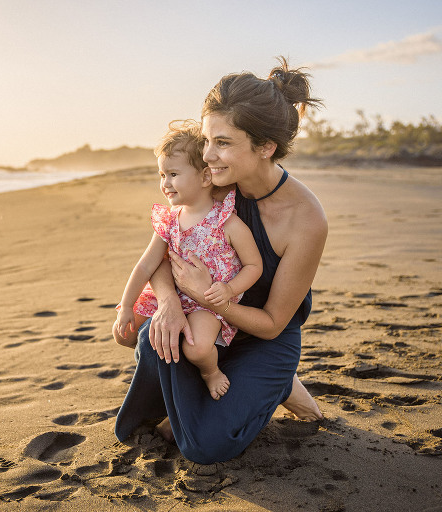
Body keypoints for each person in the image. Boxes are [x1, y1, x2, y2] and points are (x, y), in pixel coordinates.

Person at [115, 57, 327, 465]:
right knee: (152, 337)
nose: (207, 155)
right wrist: (170, 304)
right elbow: (164, 245)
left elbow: (272, 323)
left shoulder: (305, 219)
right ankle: (212, 376)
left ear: (265, 148)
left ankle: (279, 383)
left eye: (223, 143)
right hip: (205, 322)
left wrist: (210, 299)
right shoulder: (208, 185)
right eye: (207, 138)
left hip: (264, 336)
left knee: (207, 445)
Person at [113, 120, 262, 400]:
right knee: (123, 332)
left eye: (173, 174)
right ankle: (158, 371)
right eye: (162, 175)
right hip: (173, 294)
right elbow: (146, 265)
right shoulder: (170, 220)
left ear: (205, 178)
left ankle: (210, 373)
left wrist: (229, 290)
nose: (165, 184)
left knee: (198, 349)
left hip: (208, 302)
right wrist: (127, 305)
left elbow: (255, 265)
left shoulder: (226, 222)